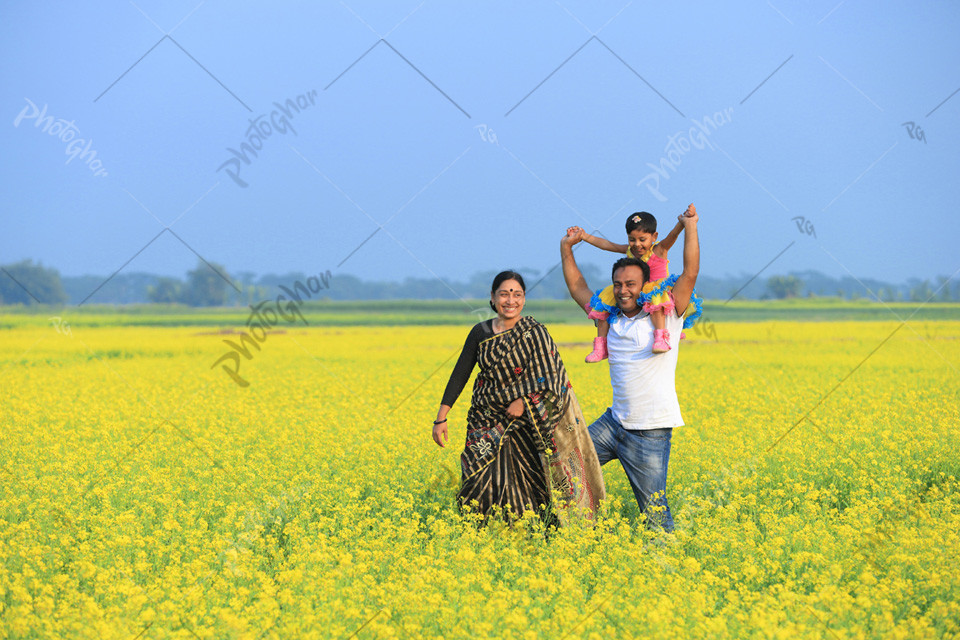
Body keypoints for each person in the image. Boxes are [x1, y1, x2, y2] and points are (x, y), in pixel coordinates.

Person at [559, 206, 702, 531]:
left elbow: (690, 272)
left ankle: (667, 566)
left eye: (631, 284)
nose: (624, 290)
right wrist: (567, 249)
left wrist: (690, 226)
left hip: (649, 432)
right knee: (563, 466)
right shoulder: (611, 316)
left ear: (646, 283)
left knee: (654, 513)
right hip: (614, 423)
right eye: (618, 284)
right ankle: (579, 533)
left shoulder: (668, 314)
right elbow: (578, 288)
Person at [432, 270, 606, 524]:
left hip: (526, 425)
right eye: (504, 294)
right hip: (486, 420)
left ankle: (529, 538)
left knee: (528, 488)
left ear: (524, 299)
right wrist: (441, 418)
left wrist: (524, 402)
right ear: (493, 298)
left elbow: (553, 378)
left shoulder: (535, 333)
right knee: (476, 482)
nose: (510, 300)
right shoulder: (480, 332)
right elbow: (461, 372)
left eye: (517, 294)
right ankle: (480, 535)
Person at [569, 207, 701, 361]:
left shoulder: (659, 249)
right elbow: (607, 245)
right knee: (604, 303)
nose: (637, 244)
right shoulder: (629, 251)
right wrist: (585, 236)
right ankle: (601, 346)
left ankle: (661, 337)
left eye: (642, 239)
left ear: (654, 236)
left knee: (655, 299)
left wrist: (683, 222)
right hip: (636, 291)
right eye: (632, 239)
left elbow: (673, 235)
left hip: (655, 290)